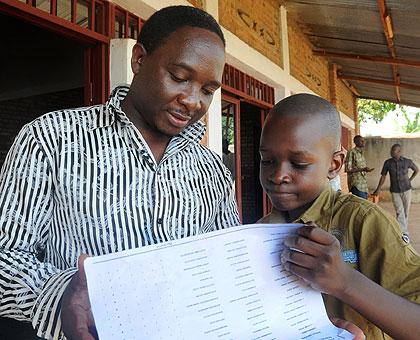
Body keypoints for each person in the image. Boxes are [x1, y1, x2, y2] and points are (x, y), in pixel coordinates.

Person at [0, 6, 240, 339]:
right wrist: (59, 296)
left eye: (208, 90)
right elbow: (6, 256)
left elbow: (229, 265)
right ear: (139, 60)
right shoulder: (50, 139)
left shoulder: (212, 170)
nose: (192, 101)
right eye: (179, 77)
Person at [258, 93, 420, 339]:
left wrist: (345, 281)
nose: (278, 175)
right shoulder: (258, 233)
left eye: (299, 164)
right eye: (267, 160)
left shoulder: (364, 221)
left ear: (334, 165)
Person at [373, 143, 418, 240]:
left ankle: (403, 229)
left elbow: (416, 170)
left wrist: (410, 180)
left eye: (393, 150)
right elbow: (383, 176)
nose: (391, 152)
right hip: (395, 191)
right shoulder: (388, 163)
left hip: (407, 190)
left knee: (405, 212)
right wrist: (378, 188)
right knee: (399, 211)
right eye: (391, 150)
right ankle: (404, 233)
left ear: (399, 151)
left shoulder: (407, 161)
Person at [344, 135, 374, 199]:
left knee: (364, 205)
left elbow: (360, 168)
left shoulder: (361, 153)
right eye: (361, 141)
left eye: (364, 140)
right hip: (356, 184)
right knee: (360, 205)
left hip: (363, 185)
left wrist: (366, 170)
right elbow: (347, 169)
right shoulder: (351, 152)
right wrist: (362, 169)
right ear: (356, 142)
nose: (363, 142)